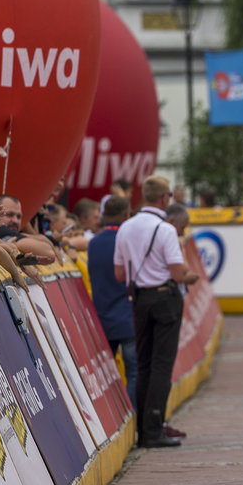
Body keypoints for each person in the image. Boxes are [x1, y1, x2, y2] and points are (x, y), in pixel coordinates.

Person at [113, 176, 198, 448]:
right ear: (165, 198)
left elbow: (119, 273)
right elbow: (175, 270)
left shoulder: (125, 227)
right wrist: (189, 276)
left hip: (138, 299)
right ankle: (154, 427)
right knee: (162, 365)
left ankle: (142, 429)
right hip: (164, 297)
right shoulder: (165, 229)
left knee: (144, 363)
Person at [87, 196, 139, 406]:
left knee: (105, 376)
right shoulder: (128, 241)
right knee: (134, 371)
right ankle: (135, 417)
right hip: (128, 317)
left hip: (102, 317)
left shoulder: (94, 243)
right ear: (127, 215)